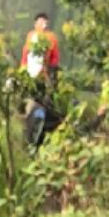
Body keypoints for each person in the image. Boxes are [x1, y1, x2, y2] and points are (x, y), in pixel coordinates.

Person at [19, 14, 65, 145]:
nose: (43, 25)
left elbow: (54, 58)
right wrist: (22, 72)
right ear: (35, 24)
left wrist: (52, 74)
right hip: (30, 76)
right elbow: (25, 56)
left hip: (44, 76)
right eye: (40, 22)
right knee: (31, 102)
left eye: (45, 22)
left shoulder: (51, 37)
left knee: (44, 102)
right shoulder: (30, 36)